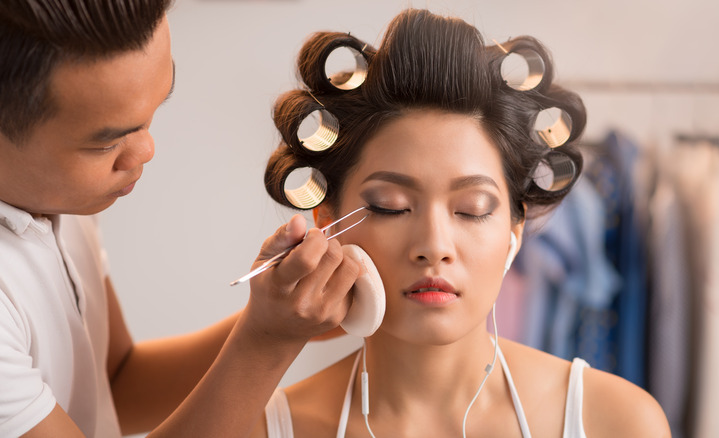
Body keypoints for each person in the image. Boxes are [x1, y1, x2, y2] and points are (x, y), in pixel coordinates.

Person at [256, 8, 671, 437]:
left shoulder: (615, 421)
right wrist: (265, 329)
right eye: (391, 206)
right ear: (328, 224)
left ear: (514, 233)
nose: (434, 246)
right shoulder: (269, 427)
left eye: (472, 209)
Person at [0, 1, 361, 436]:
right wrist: (268, 342)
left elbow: (115, 385)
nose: (146, 150)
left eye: (156, 107)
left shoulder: (55, 195)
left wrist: (287, 319)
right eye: (105, 144)